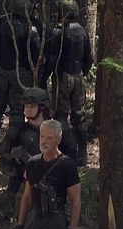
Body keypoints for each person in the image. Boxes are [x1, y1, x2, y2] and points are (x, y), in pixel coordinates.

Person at [0, 88, 95, 229]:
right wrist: (21, 164)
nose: (27, 110)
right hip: (28, 188)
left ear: (42, 108)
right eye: (25, 106)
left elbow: (71, 158)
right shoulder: (18, 132)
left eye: (32, 106)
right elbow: (5, 162)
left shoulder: (59, 130)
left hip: (56, 191)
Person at [0, 0, 40, 155]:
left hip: (1, 72)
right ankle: (10, 148)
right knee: (17, 113)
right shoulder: (31, 27)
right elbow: (36, 54)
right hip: (21, 74)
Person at [40, 0, 92, 165]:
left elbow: (52, 60)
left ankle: (66, 151)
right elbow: (89, 58)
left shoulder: (58, 33)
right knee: (78, 115)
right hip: (79, 77)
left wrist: (43, 78)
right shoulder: (82, 31)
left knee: (60, 115)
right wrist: (82, 73)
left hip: (62, 77)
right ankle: (82, 153)